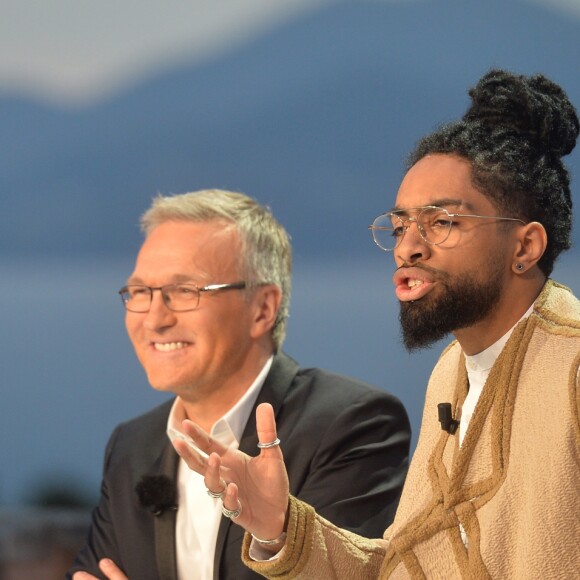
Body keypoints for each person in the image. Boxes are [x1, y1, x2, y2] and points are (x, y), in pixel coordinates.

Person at [172, 69, 580, 579]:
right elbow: (404, 566)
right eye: (401, 224)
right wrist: (279, 526)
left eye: (442, 222)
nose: (408, 246)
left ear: (525, 246)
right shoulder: (454, 371)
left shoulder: (572, 367)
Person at [67, 189, 411, 580]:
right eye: (141, 292)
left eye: (183, 291)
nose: (154, 319)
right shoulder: (132, 445)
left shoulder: (354, 424)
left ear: (262, 308)